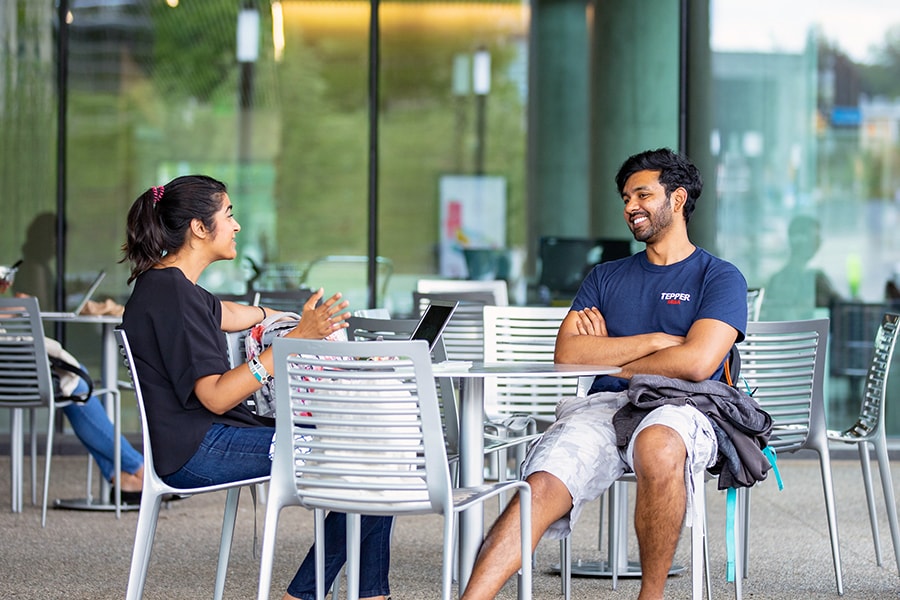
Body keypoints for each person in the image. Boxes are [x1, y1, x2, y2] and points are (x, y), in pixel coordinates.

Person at [459, 148, 748, 600]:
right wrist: (657, 341)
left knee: (657, 443)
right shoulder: (606, 276)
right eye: (626, 197)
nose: (630, 206)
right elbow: (569, 354)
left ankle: (649, 597)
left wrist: (610, 356)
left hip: (684, 404)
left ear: (677, 199)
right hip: (603, 406)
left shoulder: (719, 277)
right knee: (544, 478)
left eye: (642, 194)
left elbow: (697, 364)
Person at [120, 175, 391, 600]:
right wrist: (293, 340)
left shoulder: (166, 285)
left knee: (370, 456)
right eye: (228, 214)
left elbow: (224, 312)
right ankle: (304, 595)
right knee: (371, 463)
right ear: (198, 227)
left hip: (203, 439)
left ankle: (369, 595)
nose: (236, 225)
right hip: (200, 449)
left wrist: (273, 314)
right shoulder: (174, 295)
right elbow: (215, 394)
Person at [9, 213, 145, 500]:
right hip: (21, 368)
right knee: (79, 386)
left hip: (23, 362)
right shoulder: (34, 269)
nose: (62, 243)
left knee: (79, 384)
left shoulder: (40, 268)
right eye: (58, 237)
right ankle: (137, 469)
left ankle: (123, 477)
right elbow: (41, 314)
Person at [761, 215, 841, 320]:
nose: (819, 243)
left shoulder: (817, 278)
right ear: (800, 241)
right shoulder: (813, 279)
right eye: (815, 238)